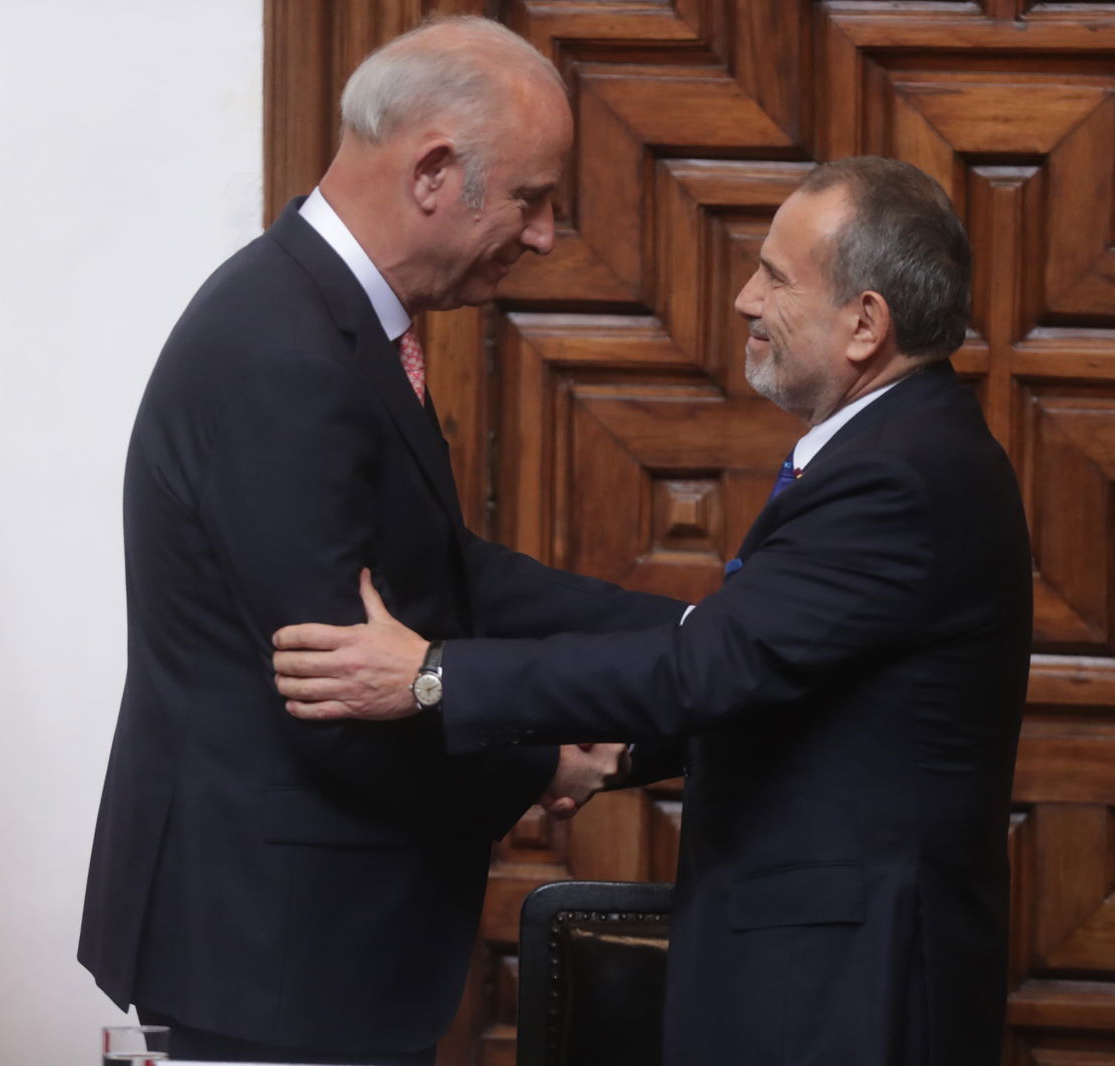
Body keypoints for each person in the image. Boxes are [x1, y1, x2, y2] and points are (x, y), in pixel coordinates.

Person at [274, 157, 1034, 1065]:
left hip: (849, 984)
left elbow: (711, 664)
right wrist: (619, 750)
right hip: (817, 965)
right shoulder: (901, 445)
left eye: (776, 278)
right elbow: (783, 675)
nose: (746, 300)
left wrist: (433, 675)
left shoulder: (899, 474)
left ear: (866, 322)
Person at [77, 16, 683, 1066]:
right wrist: (541, 762)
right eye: (533, 198)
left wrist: (687, 632)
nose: (543, 235)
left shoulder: (318, 316)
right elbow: (332, 694)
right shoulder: (287, 354)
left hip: (294, 939)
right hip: (274, 951)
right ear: (437, 174)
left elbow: (442, 570)